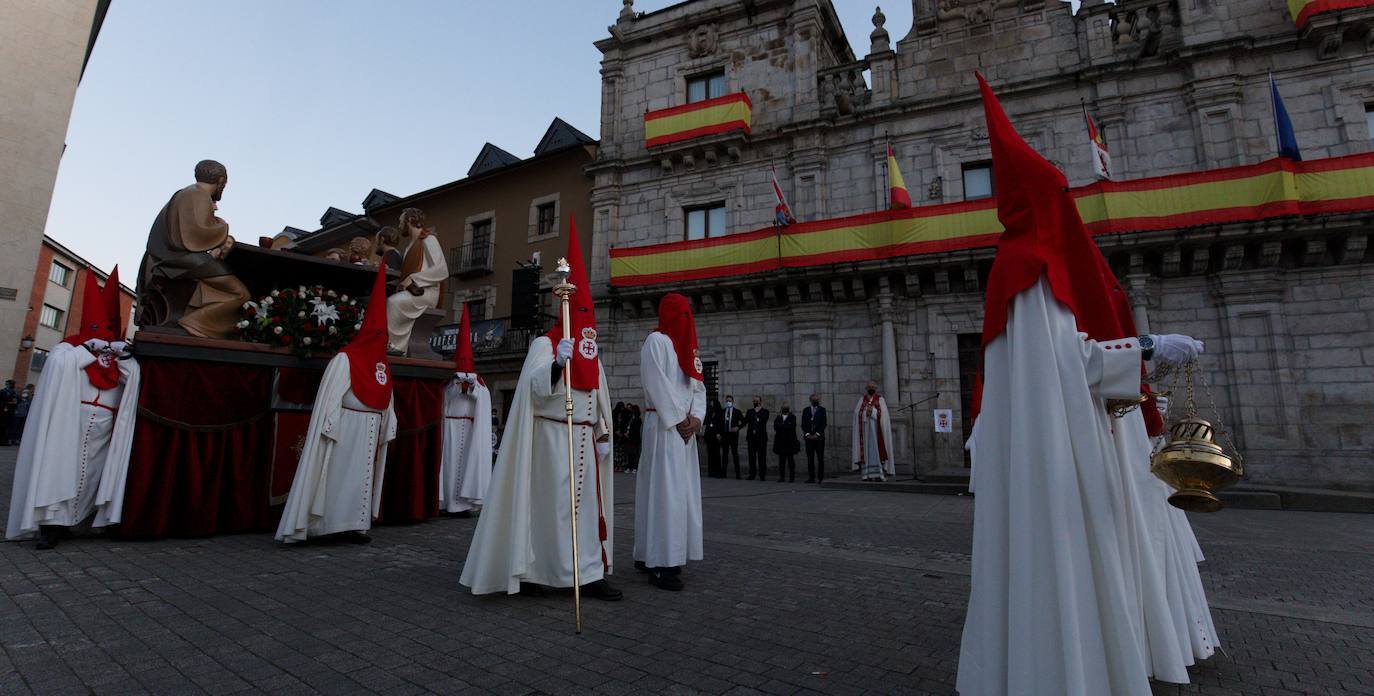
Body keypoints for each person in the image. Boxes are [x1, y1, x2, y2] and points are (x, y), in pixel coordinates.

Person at [956, 73, 1207, 696]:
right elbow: (1073, 367)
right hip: (1058, 463)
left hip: (1048, 456)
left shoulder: (1017, 266)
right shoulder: (1031, 266)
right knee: (1066, 562)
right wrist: (1148, 347)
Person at [460, 218, 620, 600]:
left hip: (583, 437)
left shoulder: (590, 351)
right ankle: (543, 571)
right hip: (552, 437)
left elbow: (599, 396)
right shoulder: (546, 346)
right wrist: (555, 366)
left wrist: (602, 431)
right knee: (553, 508)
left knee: (585, 510)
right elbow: (531, 391)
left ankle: (588, 572)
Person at [7, 268, 140, 549]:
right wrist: (85, 349)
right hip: (70, 423)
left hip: (105, 427)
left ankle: (82, 521)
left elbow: (132, 378)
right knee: (59, 469)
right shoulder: (67, 349)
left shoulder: (118, 352)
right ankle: (52, 524)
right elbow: (57, 367)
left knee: (93, 476)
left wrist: (124, 356)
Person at [275, 265, 397, 544]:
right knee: (334, 478)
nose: (382, 341)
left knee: (361, 480)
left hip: (369, 429)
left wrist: (389, 421)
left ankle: (354, 525)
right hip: (344, 428)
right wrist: (330, 424)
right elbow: (331, 397)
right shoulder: (345, 359)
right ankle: (323, 526)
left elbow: (387, 395)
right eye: (378, 335)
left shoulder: (382, 364)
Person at [633, 293, 707, 591]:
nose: (686, 321)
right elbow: (656, 382)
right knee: (664, 495)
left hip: (684, 431)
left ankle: (651, 552)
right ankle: (662, 563)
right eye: (682, 314)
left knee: (677, 494)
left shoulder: (690, 350)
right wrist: (678, 418)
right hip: (664, 427)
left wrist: (697, 419)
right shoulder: (657, 342)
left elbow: (699, 388)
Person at [137, 159, 250, 338]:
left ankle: (194, 320)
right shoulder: (197, 195)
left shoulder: (186, 193)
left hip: (174, 258)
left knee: (224, 290)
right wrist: (223, 227)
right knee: (240, 294)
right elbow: (199, 232)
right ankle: (195, 325)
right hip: (179, 261)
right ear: (221, 181)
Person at [440, 305, 493, 517]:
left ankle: (465, 503)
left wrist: (471, 388)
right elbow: (445, 400)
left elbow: (483, 400)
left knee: (467, 466)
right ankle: (446, 503)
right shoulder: (448, 383)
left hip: (471, 428)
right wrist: (455, 385)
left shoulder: (479, 383)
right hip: (450, 427)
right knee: (450, 467)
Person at [386, 208, 449, 355]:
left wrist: (415, 279)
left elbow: (442, 270)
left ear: (410, 221)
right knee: (388, 302)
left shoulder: (428, 239)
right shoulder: (409, 247)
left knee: (393, 303)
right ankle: (394, 343)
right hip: (413, 292)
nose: (399, 226)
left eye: (401, 222)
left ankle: (396, 347)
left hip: (427, 292)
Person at [852, 381, 894, 481]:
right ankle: (866, 475)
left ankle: (879, 474)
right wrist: (866, 411)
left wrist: (874, 412)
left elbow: (884, 415)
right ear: (867, 389)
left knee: (877, 450)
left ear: (875, 389)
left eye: (873, 387)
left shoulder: (880, 399)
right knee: (866, 451)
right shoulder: (862, 400)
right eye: (869, 387)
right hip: (865, 431)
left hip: (877, 431)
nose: (871, 389)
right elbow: (856, 413)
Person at [802, 393, 827, 483]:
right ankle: (811, 477)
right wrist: (808, 434)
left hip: (819, 439)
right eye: (813, 400)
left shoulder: (822, 410)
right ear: (810, 400)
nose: (815, 401)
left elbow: (823, 424)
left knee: (820, 458)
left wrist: (817, 434)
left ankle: (820, 478)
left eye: (817, 400)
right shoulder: (806, 410)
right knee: (810, 458)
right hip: (809, 439)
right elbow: (803, 424)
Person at [744, 396, 769, 481]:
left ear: (760, 402)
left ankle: (762, 475)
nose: (755, 402)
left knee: (762, 457)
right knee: (752, 457)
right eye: (754, 401)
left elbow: (763, 419)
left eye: (757, 401)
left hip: (761, 438)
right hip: (751, 437)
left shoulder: (765, 412)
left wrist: (758, 411)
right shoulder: (750, 412)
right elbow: (746, 420)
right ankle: (752, 474)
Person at [773, 405, 800, 483]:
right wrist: (785, 426)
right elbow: (775, 427)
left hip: (790, 442)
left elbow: (791, 426)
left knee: (791, 461)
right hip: (780, 442)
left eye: (786, 407)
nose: (785, 409)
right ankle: (782, 477)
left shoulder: (792, 417)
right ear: (781, 409)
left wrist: (782, 426)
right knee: (781, 461)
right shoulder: (778, 417)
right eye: (784, 407)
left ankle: (792, 478)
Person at [720, 394, 744, 478]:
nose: (728, 402)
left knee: (735, 454)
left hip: (733, 435)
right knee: (725, 454)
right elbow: (719, 423)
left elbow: (743, 421)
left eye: (730, 401)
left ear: (733, 402)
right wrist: (719, 433)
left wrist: (738, 427)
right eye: (727, 401)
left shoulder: (737, 412)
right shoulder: (722, 411)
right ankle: (723, 473)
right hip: (725, 435)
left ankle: (738, 474)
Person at [703, 398, 724, 478]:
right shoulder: (710, 412)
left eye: (712, 403)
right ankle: (711, 471)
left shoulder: (720, 413)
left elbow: (721, 424)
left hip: (716, 436)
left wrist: (719, 433)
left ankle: (717, 471)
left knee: (716, 454)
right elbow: (707, 422)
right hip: (710, 436)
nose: (711, 404)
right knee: (710, 454)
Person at [626, 404, 643, 473]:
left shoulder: (638, 419)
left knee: (635, 453)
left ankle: (635, 467)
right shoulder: (630, 418)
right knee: (630, 453)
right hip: (630, 438)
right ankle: (629, 466)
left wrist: (630, 433)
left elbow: (636, 429)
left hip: (635, 439)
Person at [0, 380, 16, 445]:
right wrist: (8, 403)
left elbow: (17, 400)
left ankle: (6, 440)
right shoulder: (2, 391)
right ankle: (1, 440)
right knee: (2, 426)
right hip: (3, 411)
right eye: (12, 384)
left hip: (11, 412)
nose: (13, 385)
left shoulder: (14, 392)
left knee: (9, 427)